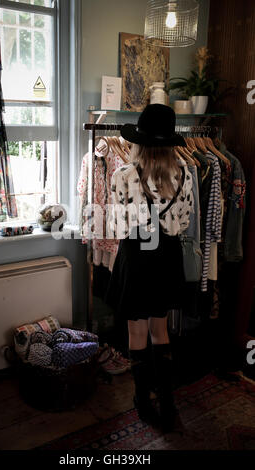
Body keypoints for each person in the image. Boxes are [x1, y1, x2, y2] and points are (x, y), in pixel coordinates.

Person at [106, 104, 194, 432]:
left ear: (139, 140)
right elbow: (184, 222)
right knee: (161, 329)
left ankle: (143, 400)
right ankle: (168, 400)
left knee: (136, 332)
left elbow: (117, 225)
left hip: (137, 256)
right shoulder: (185, 173)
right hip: (166, 256)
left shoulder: (122, 176)